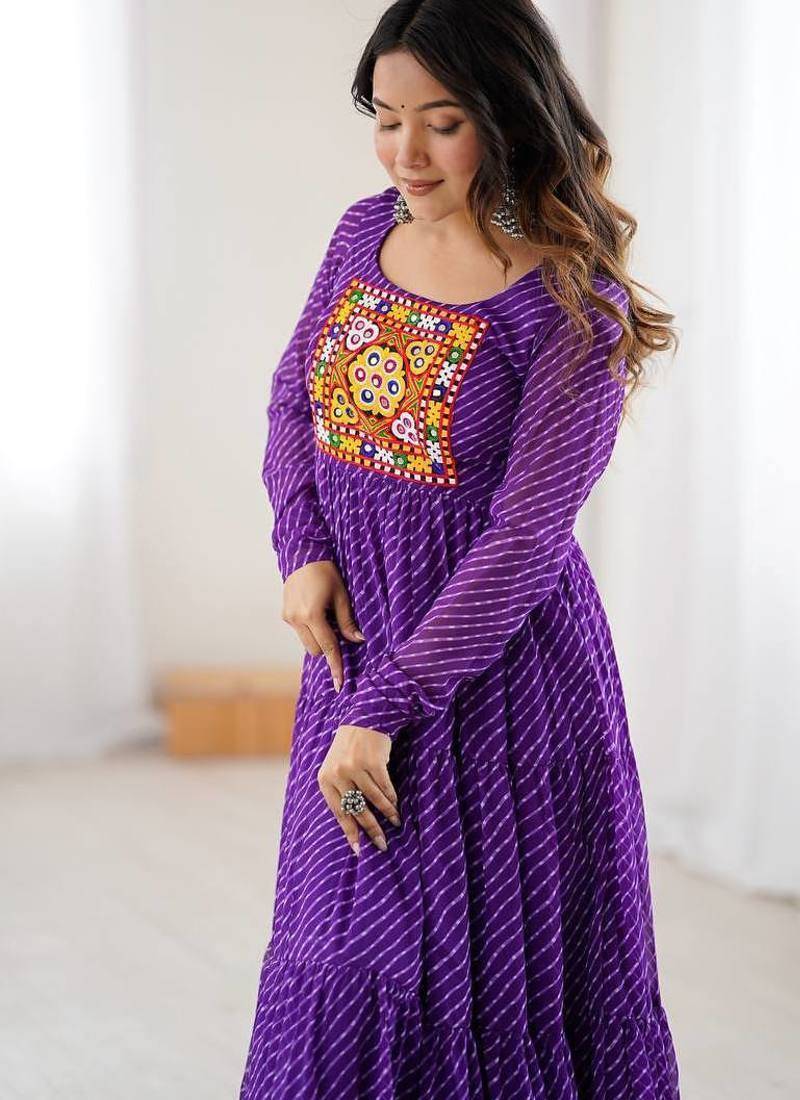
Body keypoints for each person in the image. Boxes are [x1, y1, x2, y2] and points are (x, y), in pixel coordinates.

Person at [239, 1, 681, 1096]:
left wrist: (382, 707)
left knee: (469, 979)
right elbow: (294, 400)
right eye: (386, 119)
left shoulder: (571, 307)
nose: (406, 154)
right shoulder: (361, 234)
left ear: (508, 114)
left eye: (440, 123)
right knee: (341, 954)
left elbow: (525, 539)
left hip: (498, 688)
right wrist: (303, 548)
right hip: (355, 666)